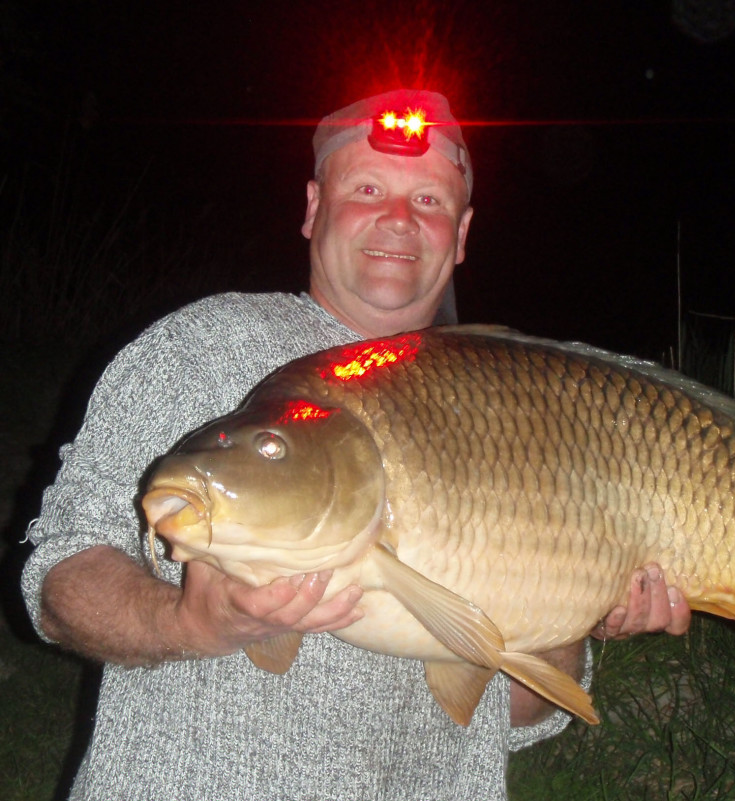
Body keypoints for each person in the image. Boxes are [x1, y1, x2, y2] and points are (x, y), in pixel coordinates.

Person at [21, 89, 690, 800]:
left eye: (430, 201)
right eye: (368, 188)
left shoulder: (522, 400)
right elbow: (59, 578)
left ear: (461, 235)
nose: (399, 219)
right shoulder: (200, 349)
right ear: (314, 207)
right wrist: (188, 621)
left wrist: (574, 608)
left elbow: (521, 712)